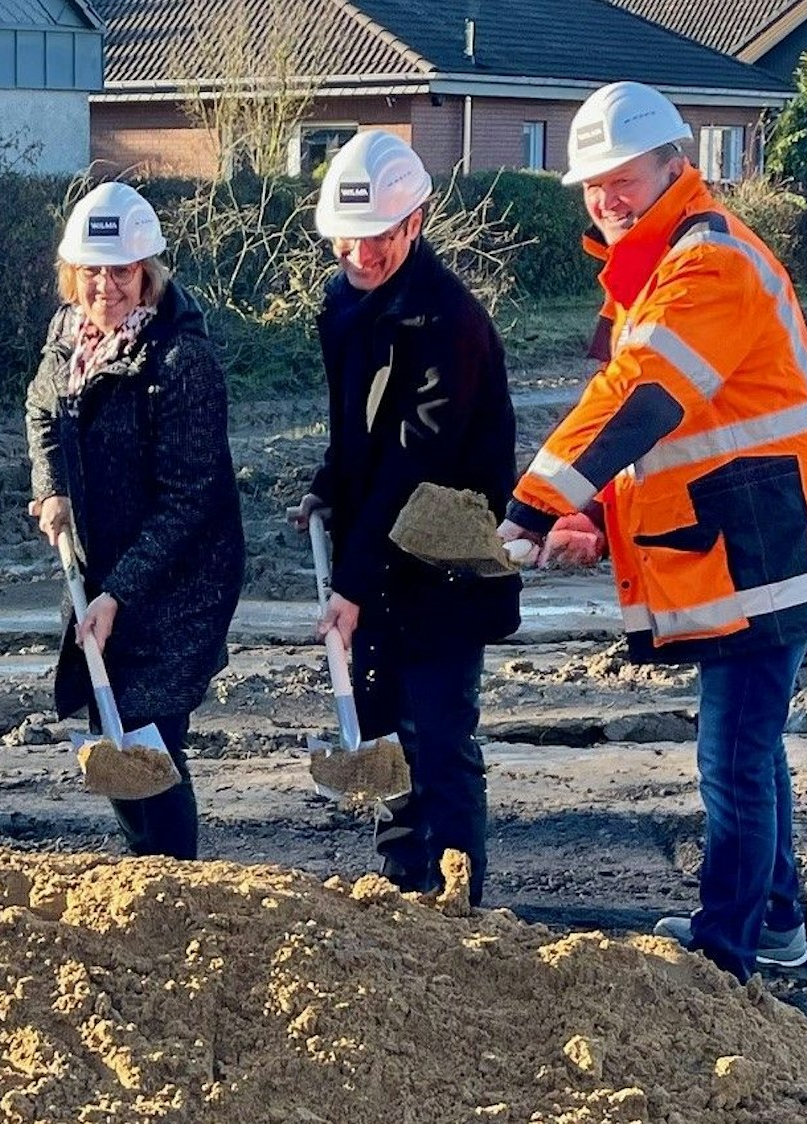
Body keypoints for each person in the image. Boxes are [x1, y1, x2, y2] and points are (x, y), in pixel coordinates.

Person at [498, 82, 807, 982]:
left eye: (622, 179)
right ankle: (772, 920)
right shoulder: (663, 266)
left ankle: (727, 949)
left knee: (732, 755)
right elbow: (661, 440)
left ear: (676, 167)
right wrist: (588, 512)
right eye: (592, 186)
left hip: (760, 550)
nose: (606, 200)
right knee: (751, 745)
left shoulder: (707, 265)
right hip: (745, 543)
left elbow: (639, 397)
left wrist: (537, 502)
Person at [286, 130, 521, 901]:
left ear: (415, 223)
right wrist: (329, 482)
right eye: (348, 240)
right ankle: (399, 883)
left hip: (445, 555)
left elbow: (413, 464)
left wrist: (350, 584)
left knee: (440, 733)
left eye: (380, 237)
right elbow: (359, 432)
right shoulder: (345, 305)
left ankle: (455, 898)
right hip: (381, 547)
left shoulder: (448, 324)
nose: (362, 253)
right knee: (382, 720)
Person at [25, 182, 245, 860]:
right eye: (91, 270)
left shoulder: (183, 362)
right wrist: (53, 489)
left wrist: (120, 593)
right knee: (112, 731)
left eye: (120, 270)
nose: (104, 285)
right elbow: (41, 413)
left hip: (180, 583)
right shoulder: (69, 340)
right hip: (104, 569)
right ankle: (144, 872)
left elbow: (190, 500)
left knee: (150, 742)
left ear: (147, 271)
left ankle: (174, 881)